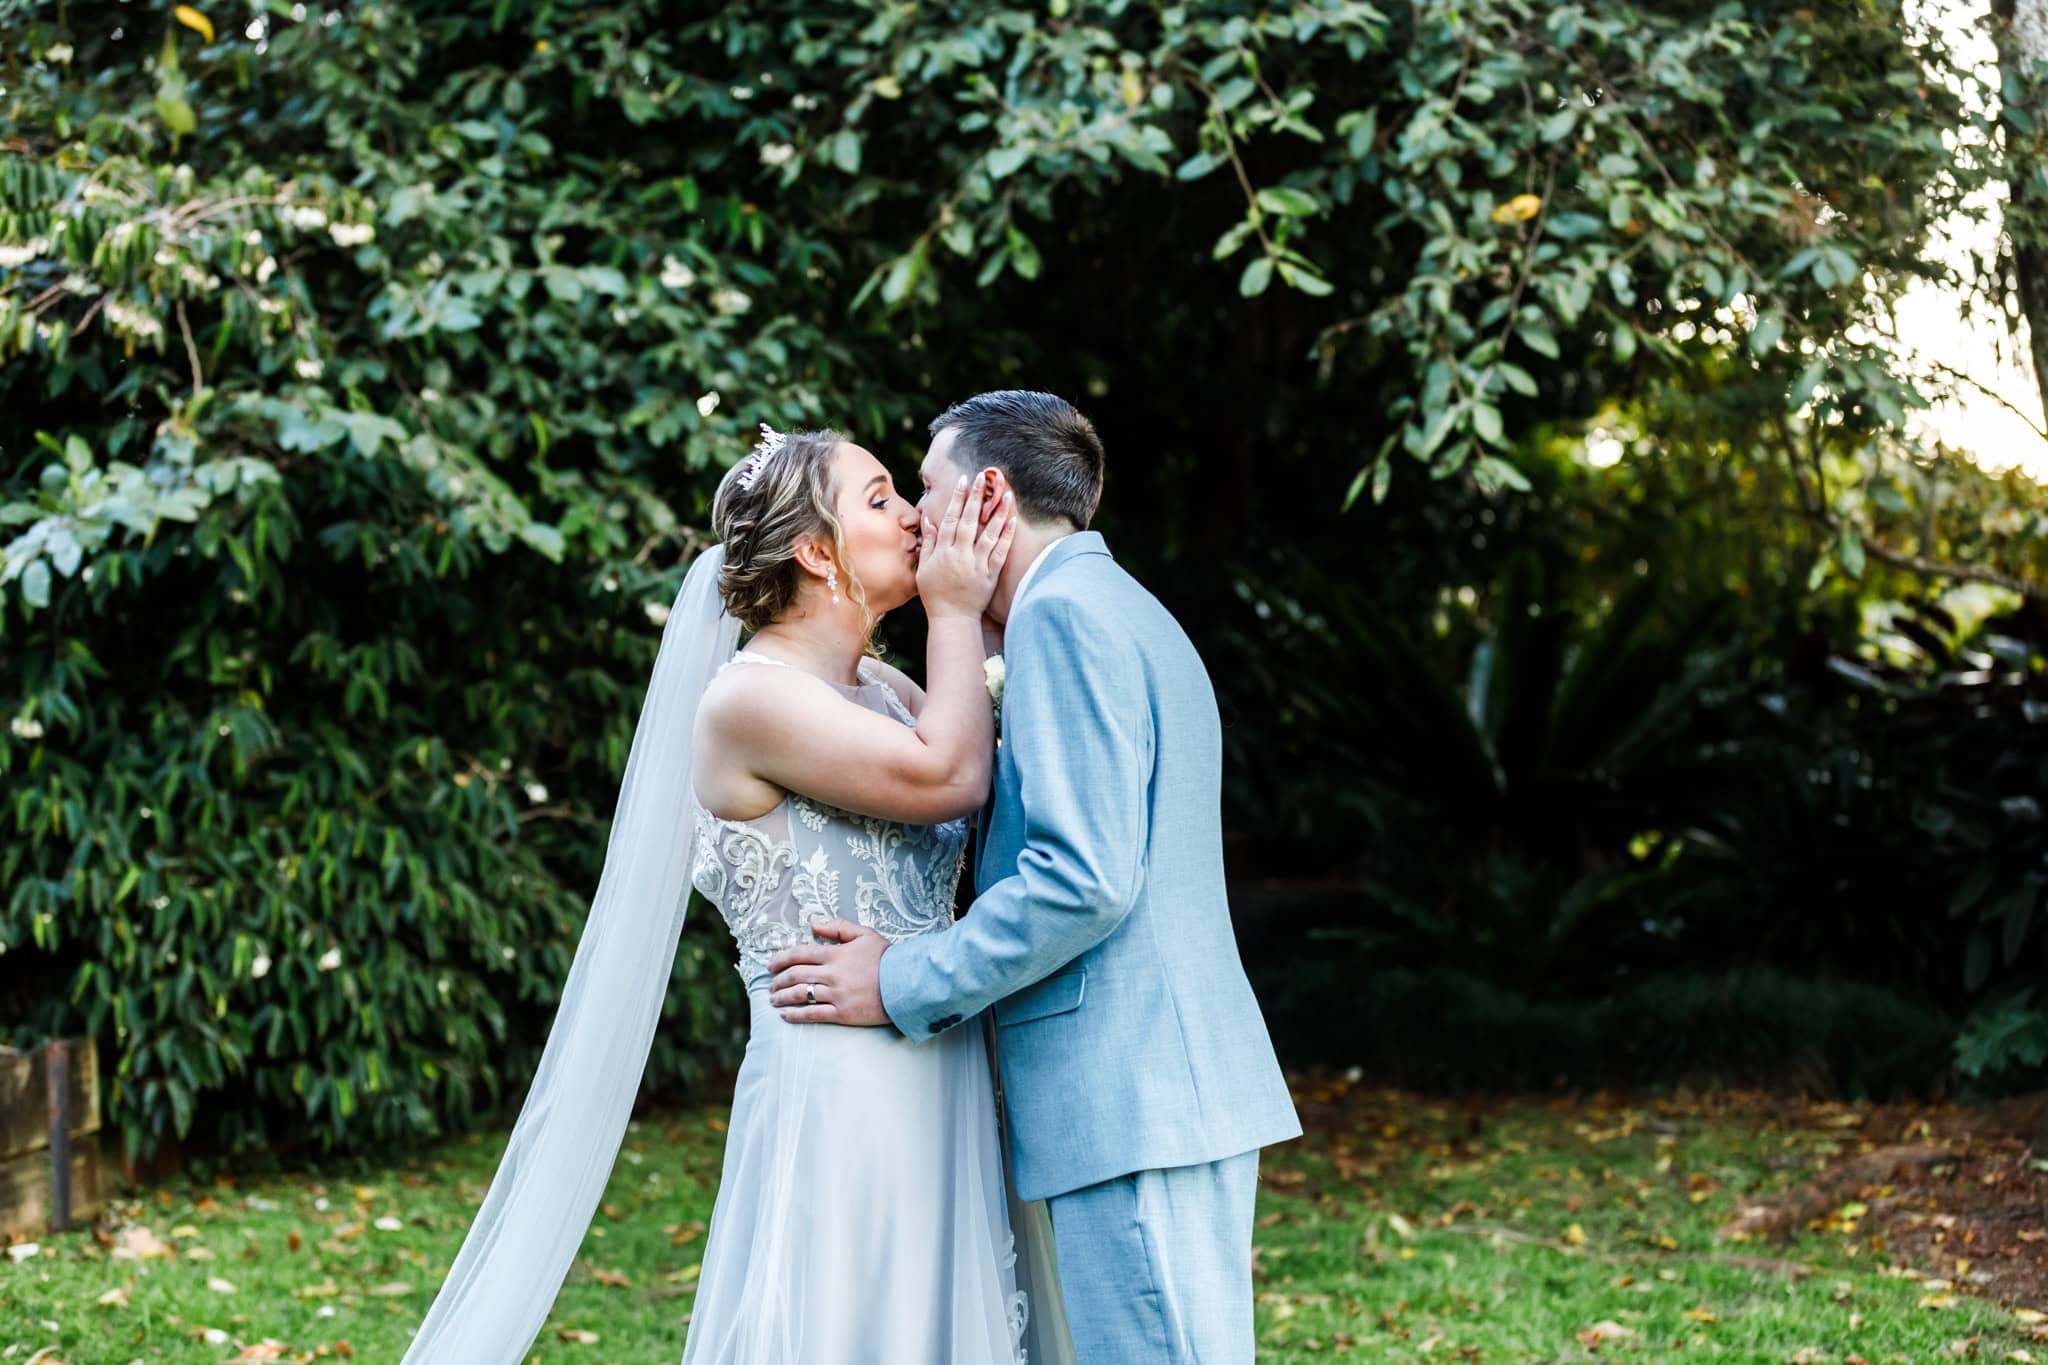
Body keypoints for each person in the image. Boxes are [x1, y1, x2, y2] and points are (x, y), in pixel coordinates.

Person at [398, 423, 1073, 1364]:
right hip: (843, 1088)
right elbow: (950, 776)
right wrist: (955, 615)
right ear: (813, 549)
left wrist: (983, 622)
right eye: (880, 499)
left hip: (942, 1065)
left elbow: (995, 783)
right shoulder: (749, 699)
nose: (917, 516)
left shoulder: (879, 686)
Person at [767, 390, 1302, 1365]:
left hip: (1133, 1094)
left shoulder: (1063, 620)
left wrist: (898, 979)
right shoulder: (1105, 603)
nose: (917, 519)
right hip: (1159, 1089)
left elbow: (1082, 879)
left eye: (924, 490)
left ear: (986, 497)